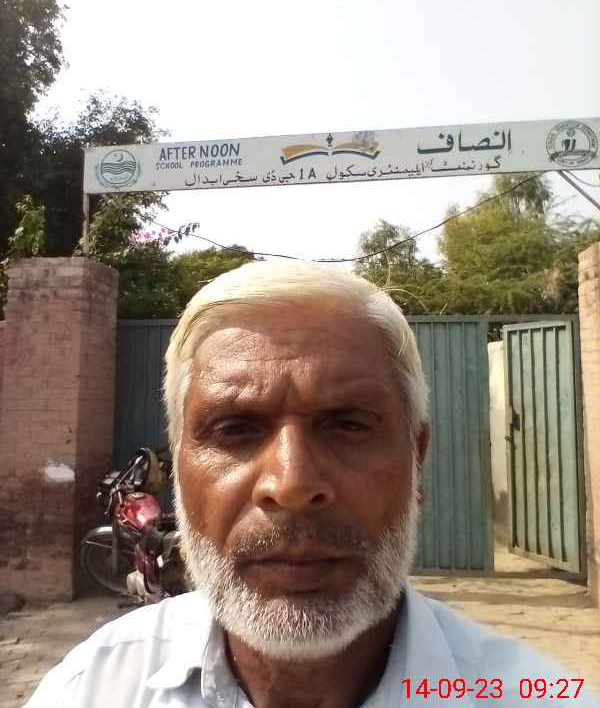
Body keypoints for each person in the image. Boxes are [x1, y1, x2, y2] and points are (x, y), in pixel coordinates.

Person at [26, 261, 598, 707]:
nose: (292, 484)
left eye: (347, 425)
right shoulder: (93, 688)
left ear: (416, 462)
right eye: (235, 429)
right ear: (179, 467)